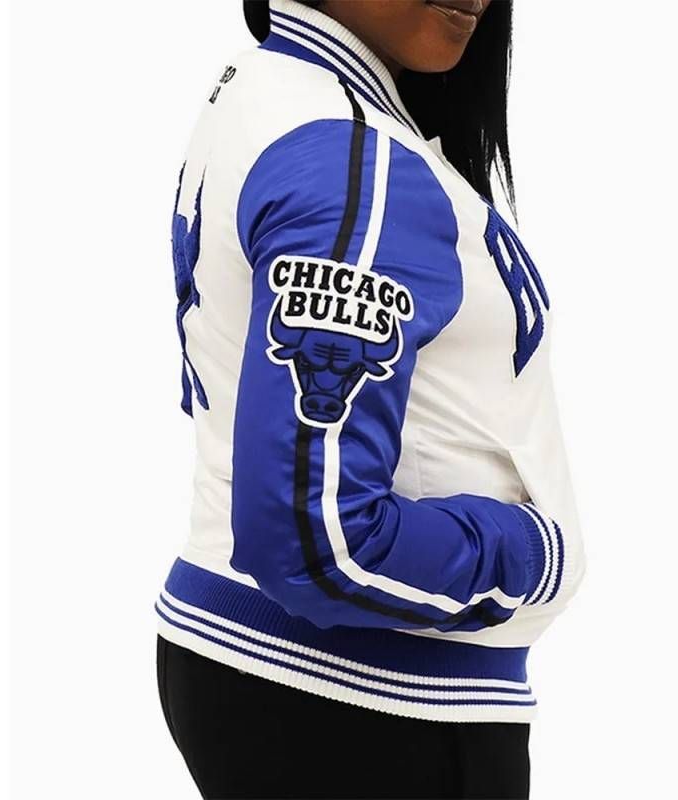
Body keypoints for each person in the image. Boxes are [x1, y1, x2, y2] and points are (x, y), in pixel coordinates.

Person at [154, 1, 586, 797]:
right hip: (366, 706)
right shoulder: (352, 156)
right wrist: (534, 553)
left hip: (302, 687)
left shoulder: (270, 92)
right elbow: (318, 542)